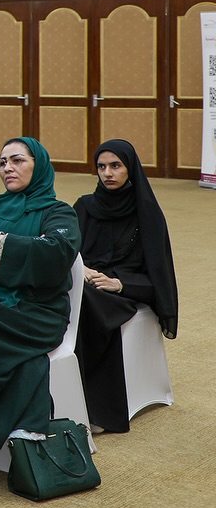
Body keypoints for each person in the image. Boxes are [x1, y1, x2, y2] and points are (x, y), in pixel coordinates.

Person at [0, 137, 80, 450]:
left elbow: (55, 253)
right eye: (2, 162)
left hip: (37, 313)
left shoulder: (58, 212)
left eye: (18, 160)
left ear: (39, 165)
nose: (7, 168)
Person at [73, 139, 178, 433]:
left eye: (116, 166)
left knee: (92, 308)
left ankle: (97, 410)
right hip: (84, 279)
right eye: (102, 166)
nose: (108, 173)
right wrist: (82, 269)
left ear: (130, 168)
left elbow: (159, 274)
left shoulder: (146, 212)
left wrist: (119, 283)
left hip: (124, 290)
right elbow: (68, 249)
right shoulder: (85, 206)